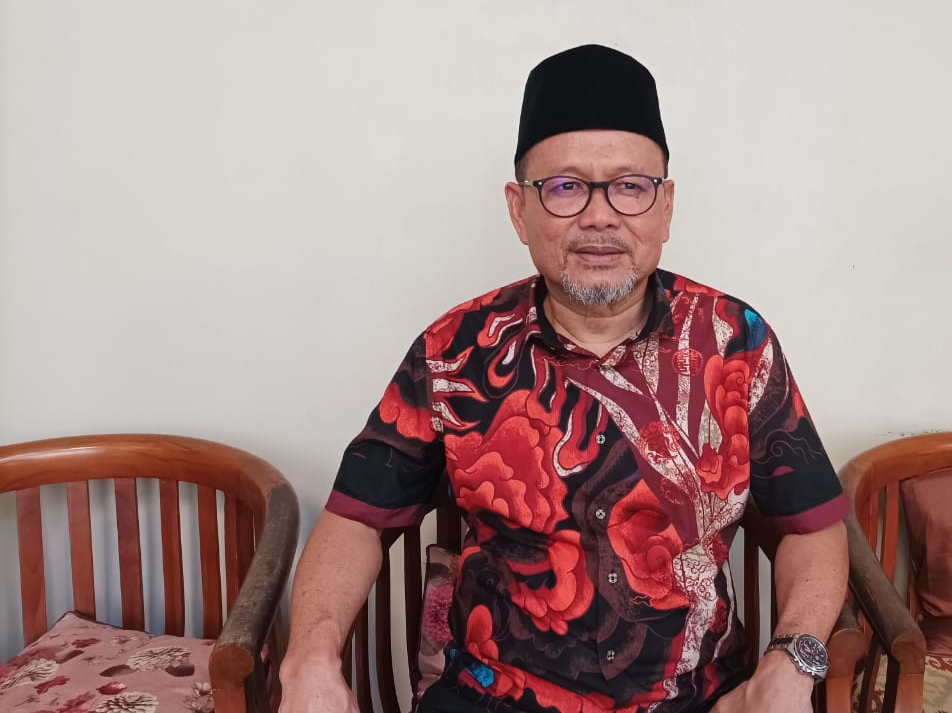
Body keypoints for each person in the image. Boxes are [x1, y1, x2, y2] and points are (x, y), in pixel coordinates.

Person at [278, 44, 850, 713]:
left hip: (695, 700)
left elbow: (812, 525)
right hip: (493, 698)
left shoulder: (736, 342)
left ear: (666, 208)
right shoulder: (452, 351)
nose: (600, 216)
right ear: (518, 210)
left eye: (630, 186)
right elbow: (356, 519)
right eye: (565, 187)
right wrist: (310, 659)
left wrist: (793, 663)